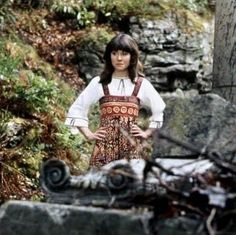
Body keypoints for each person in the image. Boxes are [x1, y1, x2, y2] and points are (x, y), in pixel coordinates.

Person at [65, 33, 166, 168]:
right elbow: (76, 109)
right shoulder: (99, 82)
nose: (119, 58)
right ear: (109, 56)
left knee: (129, 186)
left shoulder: (141, 84)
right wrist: (88, 134)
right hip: (104, 150)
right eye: (114, 53)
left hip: (131, 150)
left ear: (132, 56)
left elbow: (159, 109)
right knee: (101, 186)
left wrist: (146, 133)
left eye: (124, 53)